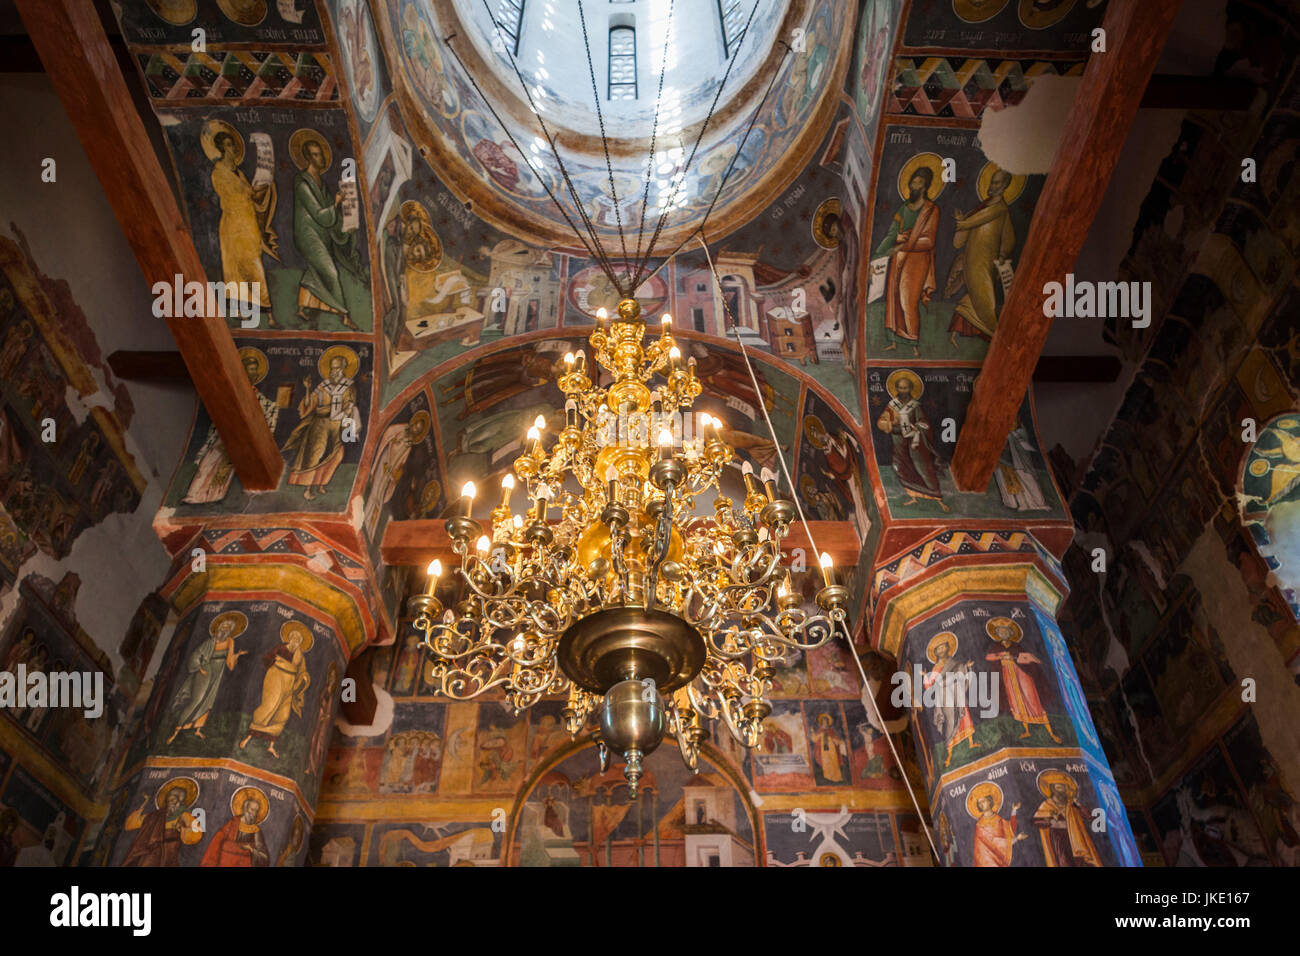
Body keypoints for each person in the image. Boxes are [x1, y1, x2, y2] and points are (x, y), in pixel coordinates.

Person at [291, 130, 362, 330]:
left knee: (315, 271)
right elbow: (320, 214)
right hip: (308, 234)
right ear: (307, 157)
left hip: (321, 234)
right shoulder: (302, 182)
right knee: (330, 272)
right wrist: (336, 204)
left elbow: (331, 217)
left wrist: (345, 226)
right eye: (314, 154)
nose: (319, 157)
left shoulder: (323, 184)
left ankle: (301, 308)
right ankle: (345, 315)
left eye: (320, 153)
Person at [947, 167, 1015, 346]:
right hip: (972, 260)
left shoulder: (999, 210)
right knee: (977, 295)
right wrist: (963, 223)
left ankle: (998, 338)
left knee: (984, 299)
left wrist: (1001, 255)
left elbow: (1009, 238)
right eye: (992, 181)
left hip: (985, 263)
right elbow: (963, 235)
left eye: (997, 182)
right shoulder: (982, 208)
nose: (993, 185)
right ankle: (976, 336)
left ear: (1005, 185)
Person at [874, 165, 938, 355]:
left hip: (917, 260)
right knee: (893, 299)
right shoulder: (903, 208)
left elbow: (928, 240)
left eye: (918, 183)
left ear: (925, 187)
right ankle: (894, 340)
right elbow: (892, 233)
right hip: (899, 257)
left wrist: (904, 245)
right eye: (912, 182)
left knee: (907, 300)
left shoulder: (931, 210)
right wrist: (880, 253)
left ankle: (913, 342)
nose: (913, 186)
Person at [282, 351, 359, 500]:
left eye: (337, 369)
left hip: (336, 425)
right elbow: (310, 403)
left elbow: (350, 405)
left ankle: (322, 484)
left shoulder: (349, 386)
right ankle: (308, 489)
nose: (333, 371)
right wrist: (307, 388)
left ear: (343, 369)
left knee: (334, 455)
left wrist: (346, 426)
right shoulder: (323, 386)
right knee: (315, 455)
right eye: (332, 368)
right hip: (320, 425)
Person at [875, 370, 948, 509]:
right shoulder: (892, 405)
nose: (902, 390)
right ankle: (913, 495)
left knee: (922, 466)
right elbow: (883, 420)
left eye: (905, 387)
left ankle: (936, 495)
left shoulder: (915, 406)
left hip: (914, 442)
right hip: (898, 441)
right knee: (902, 467)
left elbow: (924, 423)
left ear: (911, 389)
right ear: (896, 388)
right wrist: (886, 424)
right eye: (900, 388)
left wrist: (917, 428)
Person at [239, 622, 312, 758]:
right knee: (269, 706)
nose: (296, 639)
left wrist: (304, 679)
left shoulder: (299, 656)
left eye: (299, 638)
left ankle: (271, 746)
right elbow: (267, 659)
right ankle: (248, 738)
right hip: (276, 678)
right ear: (289, 637)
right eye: (294, 636)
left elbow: (302, 672)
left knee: (282, 714)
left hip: (289, 684)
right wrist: (277, 667)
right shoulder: (280, 647)